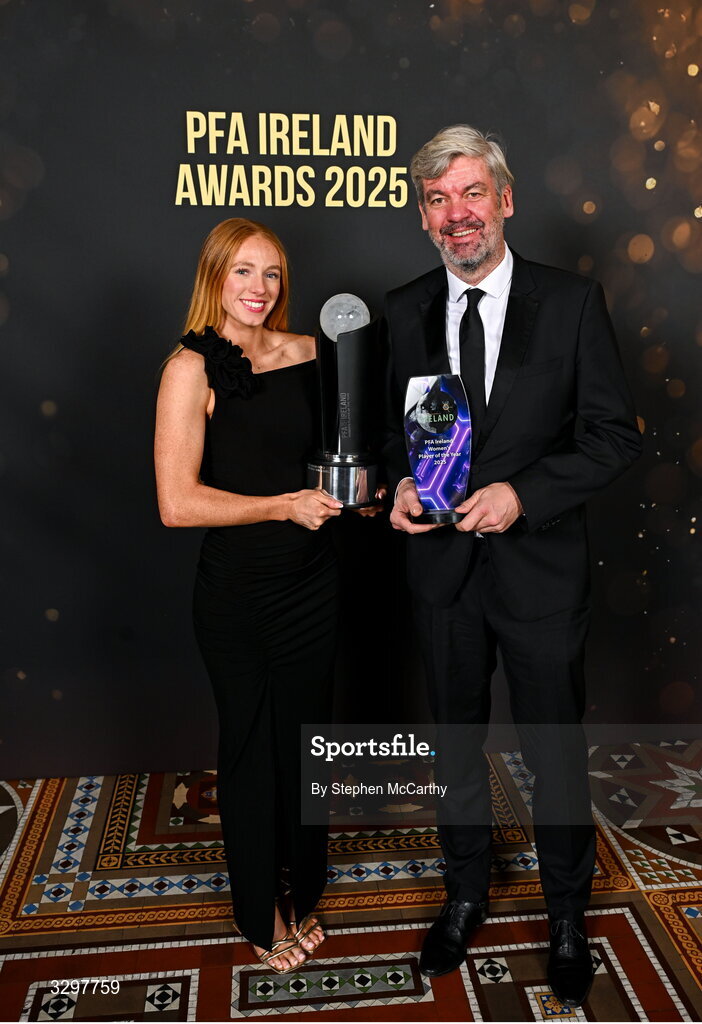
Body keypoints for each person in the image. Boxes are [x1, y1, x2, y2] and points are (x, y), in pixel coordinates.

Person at [382, 125, 642, 1003]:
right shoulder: (402, 308)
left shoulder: (571, 303)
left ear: (505, 199)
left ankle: (567, 914)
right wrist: (399, 488)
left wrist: (524, 494)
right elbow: (394, 434)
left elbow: (611, 438)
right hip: (442, 578)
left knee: (553, 754)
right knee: (455, 748)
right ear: (423, 217)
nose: (457, 215)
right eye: (437, 200)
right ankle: (464, 896)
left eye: (470, 194)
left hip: (538, 575)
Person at [154, 218, 342, 974]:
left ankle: (302, 886)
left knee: (304, 745)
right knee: (251, 750)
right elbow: (176, 503)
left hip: (313, 583)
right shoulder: (189, 368)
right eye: (242, 272)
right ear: (214, 277)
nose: (257, 289)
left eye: (270, 274)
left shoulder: (307, 353)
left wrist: (361, 492)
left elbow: (332, 456)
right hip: (239, 593)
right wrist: (282, 505)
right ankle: (260, 910)